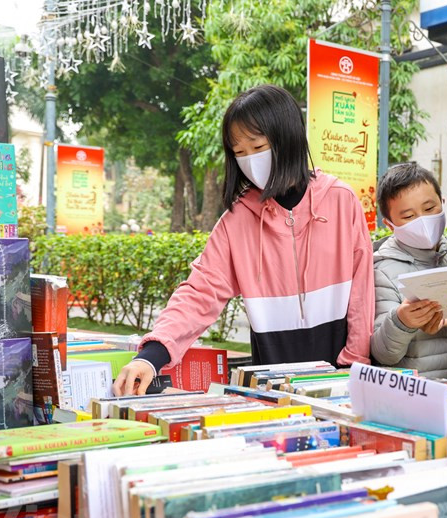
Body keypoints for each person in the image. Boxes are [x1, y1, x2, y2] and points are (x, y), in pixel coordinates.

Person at [112, 84, 374, 396]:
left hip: (340, 383)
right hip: (271, 392)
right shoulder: (236, 222)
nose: (249, 159)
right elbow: (199, 292)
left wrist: (353, 366)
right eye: (239, 152)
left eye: (257, 146)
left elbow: (361, 295)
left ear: (287, 136)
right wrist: (152, 356)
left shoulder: (341, 202)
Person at [370, 162, 447, 379]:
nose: (423, 221)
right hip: (418, 392)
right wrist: (401, 321)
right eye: (408, 216)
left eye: (429, 208)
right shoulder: (382, 272)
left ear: (442, 203)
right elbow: (383, 353)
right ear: (389, 225)